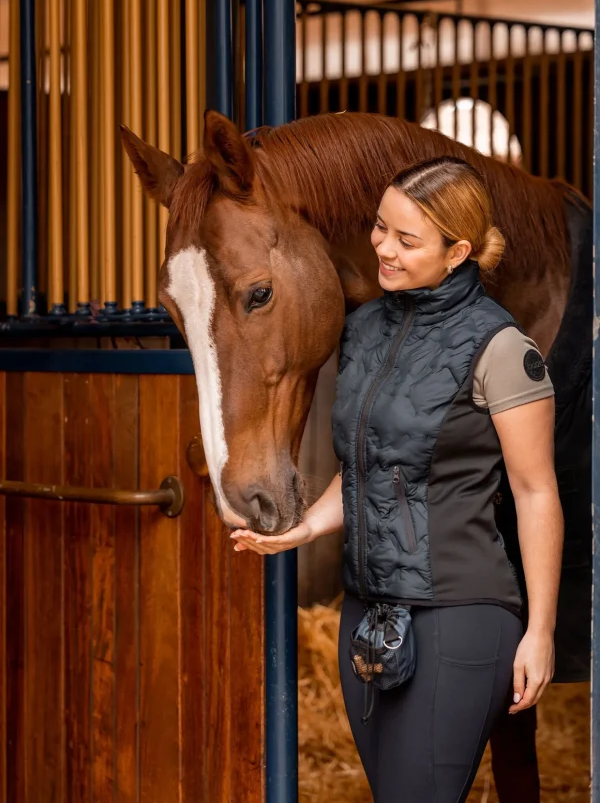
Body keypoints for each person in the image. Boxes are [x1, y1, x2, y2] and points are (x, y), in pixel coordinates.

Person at [231, 156, 564, 803]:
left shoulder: (500, 349)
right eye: (381, 227)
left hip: (458, 617)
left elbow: (536, 492)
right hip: (367, 615)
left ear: (457, 251)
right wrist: (298, 531)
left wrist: (541, 630)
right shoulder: (363, 329)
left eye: (407, 240)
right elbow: (366, 471)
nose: (382, 246)